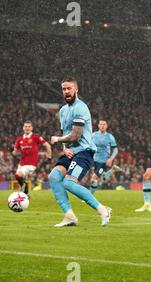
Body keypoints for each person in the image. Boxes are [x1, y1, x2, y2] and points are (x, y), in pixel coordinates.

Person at [49, 78, 112, 227]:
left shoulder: (81, 108)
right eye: (63, 89)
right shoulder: (63, 111)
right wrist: (65, 148)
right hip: (71, 153)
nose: (66, 92)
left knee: (69, 183)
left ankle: (103, 210)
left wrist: (58, 140)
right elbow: (66, 134)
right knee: (54, 176)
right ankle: (69, 216)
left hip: (84, 152)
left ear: (76, 90)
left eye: (69, 88)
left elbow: (76, 135)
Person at [12, 121, 52, 197]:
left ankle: (25, 190)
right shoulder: (19, 139)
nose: (27, 128)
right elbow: (15, 151)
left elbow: (47, 145)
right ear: (23, 128)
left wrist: (49, 157)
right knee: (17, 177)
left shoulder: (35, 137)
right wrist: (14, 152)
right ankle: (25, 193)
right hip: (22, 163)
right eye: (26, 126)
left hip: (31, 164)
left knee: (18, 175)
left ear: (32, 128)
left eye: (29, 126)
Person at [90, 120, 122, 194]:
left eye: (104, 124)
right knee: (103, 178)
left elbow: (116, 149)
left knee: (94, 178)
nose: (102, 126)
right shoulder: (93, 135)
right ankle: (112, 170)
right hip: (94, 160)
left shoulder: (110, 137)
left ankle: (90, 196)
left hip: (104, 161)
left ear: (106, 126)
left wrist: (111, 159)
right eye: (101, 124)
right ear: (98, 125)